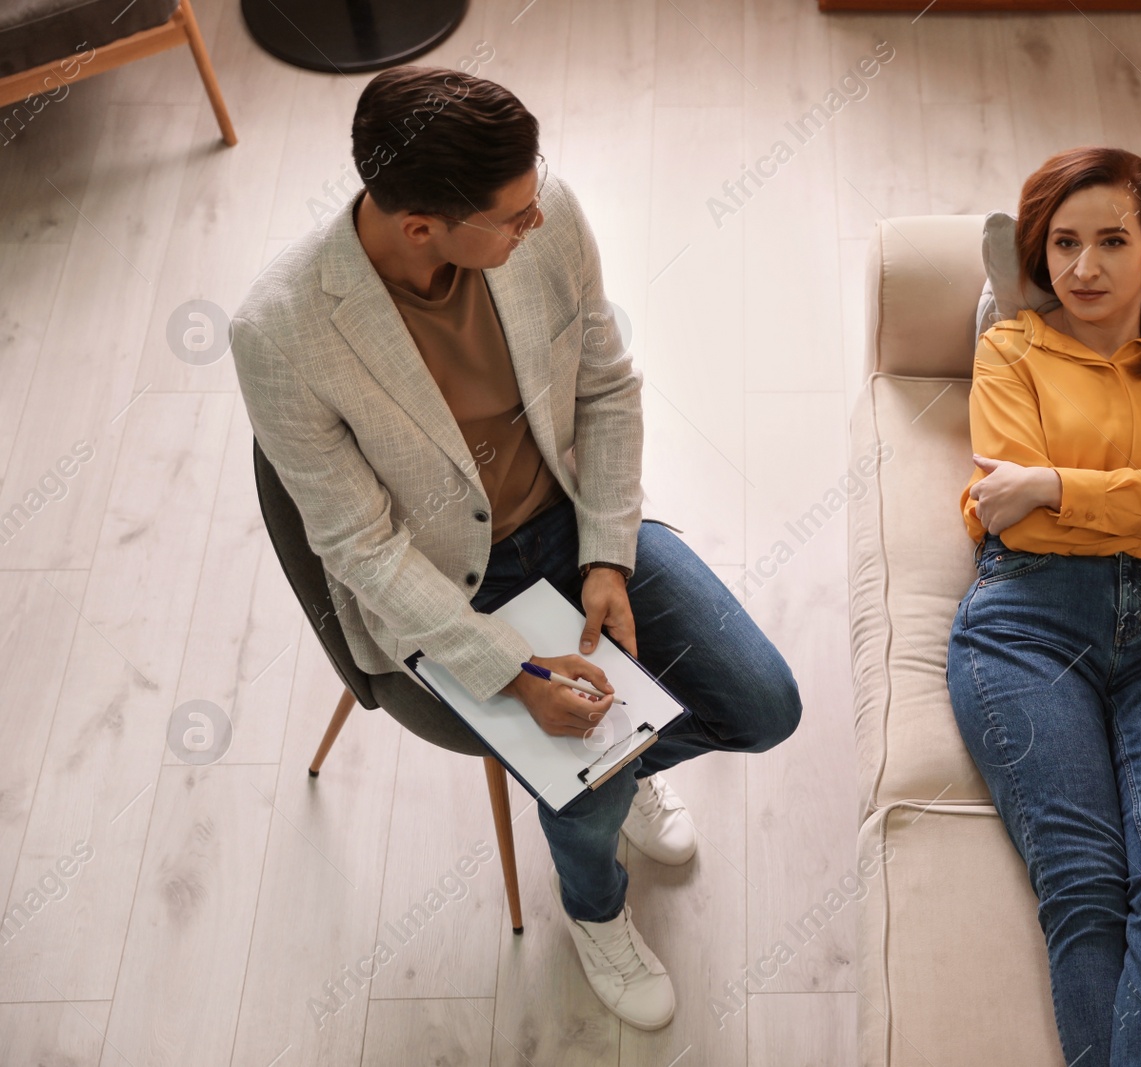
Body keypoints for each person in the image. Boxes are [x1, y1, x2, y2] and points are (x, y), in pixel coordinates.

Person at [231, 66, 801, 1032]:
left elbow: (607, 390)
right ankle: (594, 905)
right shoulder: (278, 330)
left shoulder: (547, 213)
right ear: (421, 227)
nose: (538, 221)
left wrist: (609, 556)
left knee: (765, 705)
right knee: (582, 779)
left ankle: (629, 764)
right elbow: (363, 550)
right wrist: (516, 671)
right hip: (443, 586)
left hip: (576, 520)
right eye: (513, 217)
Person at [946, 146, 1141, 1067]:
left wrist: (1052, 484)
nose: (1083, 269)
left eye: (1112, 240)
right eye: (1063, 243)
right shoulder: (1008, 348)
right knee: (1084, 885)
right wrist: (1128, 503)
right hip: (1026, 628)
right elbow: (1016, 527)